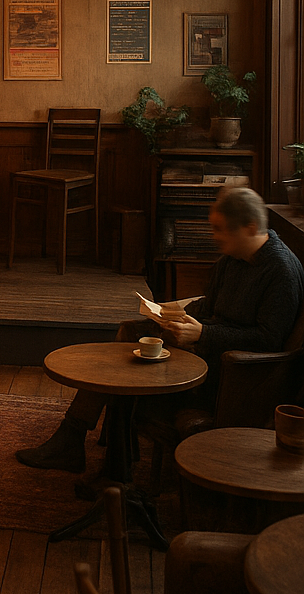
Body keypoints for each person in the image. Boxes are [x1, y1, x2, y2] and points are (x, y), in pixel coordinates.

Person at [16, 186, 304, 473]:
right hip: (206, 349)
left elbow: (268, 341)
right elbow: (209, 307)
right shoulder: (232, 258)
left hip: (234, 377)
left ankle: (100, 461)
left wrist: (203, 334)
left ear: (250, 227)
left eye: (220, 230)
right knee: (129, 336)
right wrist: (172, 314)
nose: (214, 237)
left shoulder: (281, 271)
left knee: (125, 369)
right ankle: (83, 443)